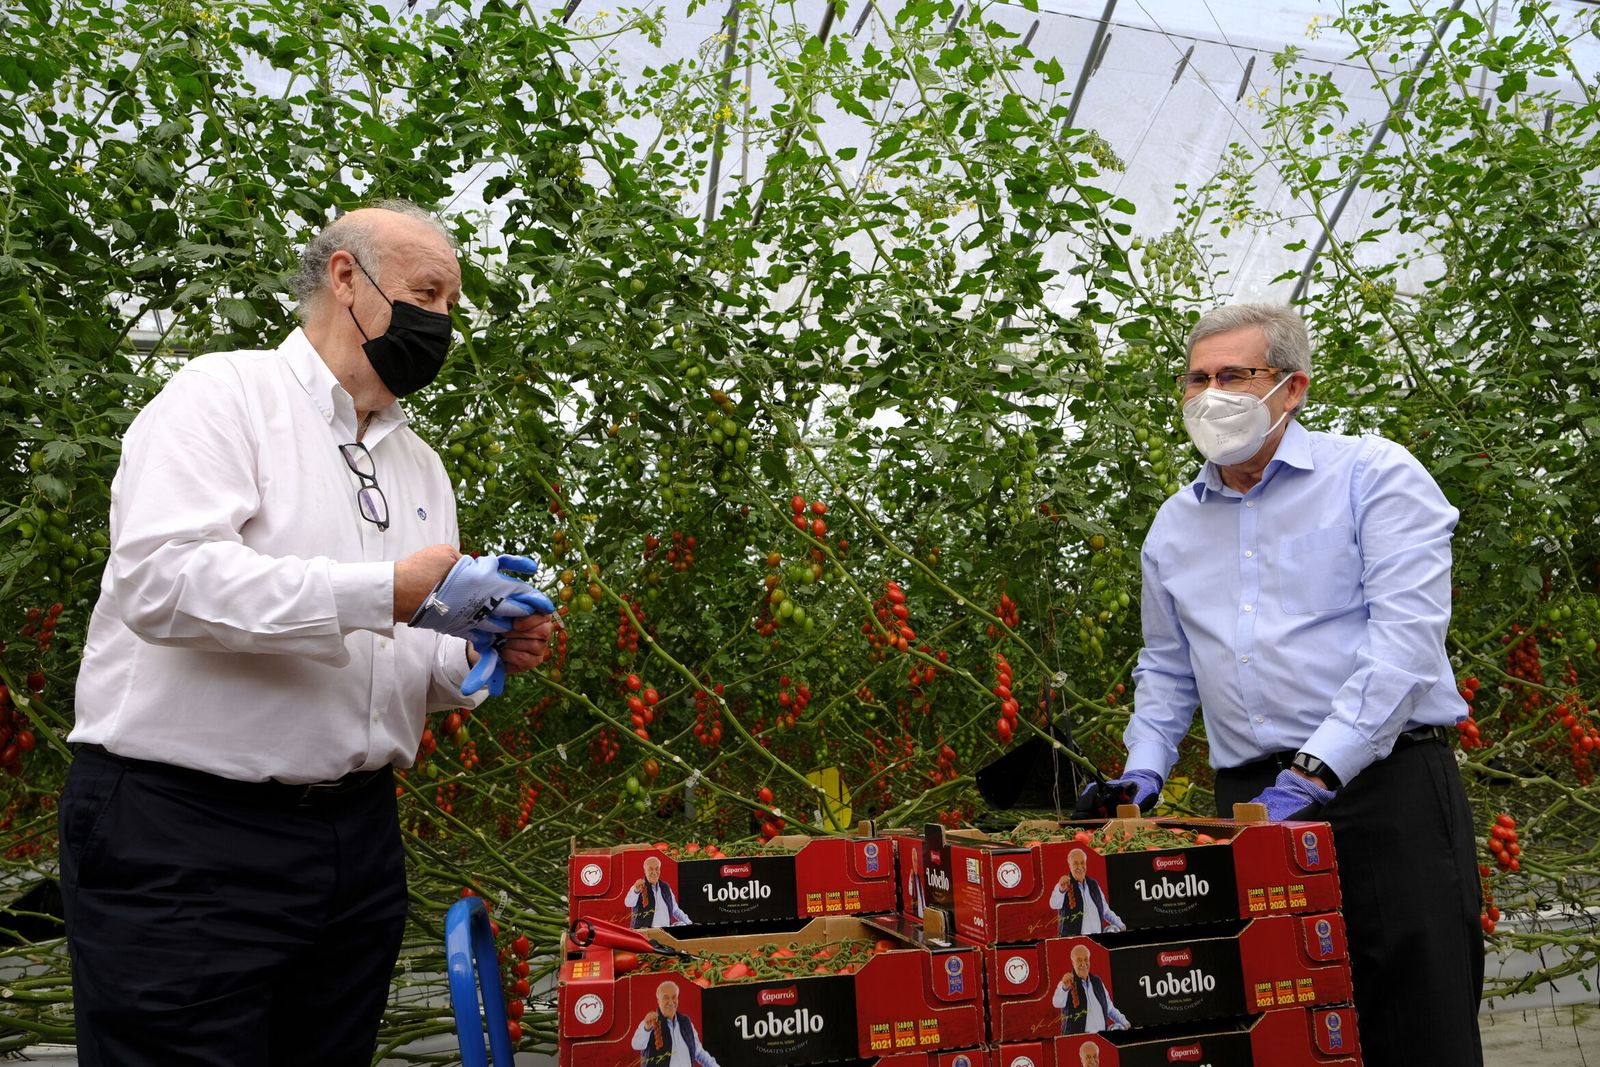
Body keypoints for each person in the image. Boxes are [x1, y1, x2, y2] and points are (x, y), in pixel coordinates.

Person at [57, 201, 559, 1067]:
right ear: (345, 279)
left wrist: (478, 643)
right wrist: (382, 590)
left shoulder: (417, 464)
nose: (439, 320)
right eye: (426, 291)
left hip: (352, 841)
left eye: (450, 303)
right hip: (184, 833)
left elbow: (396, 653)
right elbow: (161, 581)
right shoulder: (224, 397)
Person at [1094, 304, 1482, 1067]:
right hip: (1247, 803)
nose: (1211, 394)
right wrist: (1144, 768)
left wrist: (1316, 769)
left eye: (1235, 375)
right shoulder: (1174, 527)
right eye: (1197, 379)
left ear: (1292, 387)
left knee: (1416, 1020)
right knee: (1282, 1026)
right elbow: (1168, 669)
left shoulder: (1373, 476)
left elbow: (1403, 645)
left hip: (1384, 791)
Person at [631, 981, 722, 1067]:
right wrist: (646, 1028)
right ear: (658, 1001)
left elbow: (699, 1053)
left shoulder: (686, 1022)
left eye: (674, 997)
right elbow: (636, 1044)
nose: (671, 1002)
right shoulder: (649, 1023)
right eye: (666, 998)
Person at [1052, 944, 1129, 1035]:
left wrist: (1125, 1023)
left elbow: (1110, 1009)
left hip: (1102, 1038)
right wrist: (1064, 988)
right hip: (1078, 1041)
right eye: (1079, 960)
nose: (1083, 964)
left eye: (1086, 959)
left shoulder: (1097, 981)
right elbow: (1056, 1003)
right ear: (1073, 963)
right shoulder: (1067, 983)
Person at [1048, 848, 1124, 936]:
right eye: (1075, 863)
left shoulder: (1093, 884)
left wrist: (1121, 925)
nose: (1080, 867)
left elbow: (1105, 911)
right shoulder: (1064, 885)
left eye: (1082, 862)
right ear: (1069, 865)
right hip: (1074, 942)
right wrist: (1061, 890)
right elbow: (1053, 904)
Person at [626, 855, 692, 928]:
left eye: (657, 869)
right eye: (650, 869)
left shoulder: (665, 887)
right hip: (645, 934)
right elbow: (628, 903)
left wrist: (689, 923)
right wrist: (635, 890)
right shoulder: (639, 887)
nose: (654, 872)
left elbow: (675, 910)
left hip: (666, 934)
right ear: (645, 871)